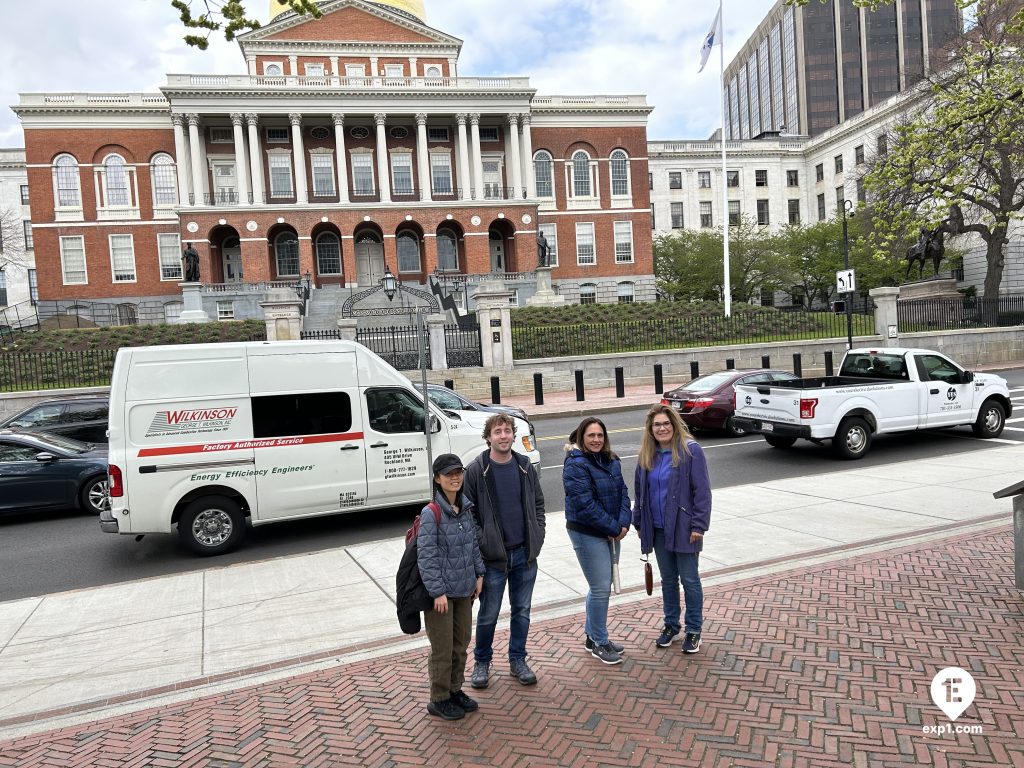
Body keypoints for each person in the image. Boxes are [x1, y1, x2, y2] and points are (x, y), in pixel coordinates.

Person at [463, 413, 546, 689]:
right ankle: (481, 662)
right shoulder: (477, 470)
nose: (503, 436)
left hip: (524, 554)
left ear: (513, 435)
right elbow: (468, 514)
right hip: (493, 559)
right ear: (488, 437)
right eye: (497, 431)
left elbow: (538, 504)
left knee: (522, 611)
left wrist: (538, 534)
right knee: (489, 613)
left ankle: (517, 660)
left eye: (507, 431)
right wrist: (483, 541)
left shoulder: (524, 466)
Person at [632, 404, 712, 654]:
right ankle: (671, 625)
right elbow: (639, 492)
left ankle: (694, 629)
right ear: (650, 429)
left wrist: (699, 524)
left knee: (689, 579)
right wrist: (638, 521)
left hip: (685, 528)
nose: (662, 428)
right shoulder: (647, 455)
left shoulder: (690, 451)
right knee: (668, 580)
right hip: (657, 529)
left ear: (674, 424)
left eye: (666, 423)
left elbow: (702, 492)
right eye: (657, 424)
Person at [417, 453, 485, 720]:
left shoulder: (465, 508)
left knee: (460, 645)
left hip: (465, 590)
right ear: (437, 479)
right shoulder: (431, 512)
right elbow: (427, 556)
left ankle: (455, 690)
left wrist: (479, 574)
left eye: (458, 472)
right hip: (442, 597)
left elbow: (473, 545)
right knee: (443, 649)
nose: (455, 477)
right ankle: (439, 698)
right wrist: (437, 592)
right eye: (448, 474)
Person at [562, 416, 632, 665]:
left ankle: (593, 636)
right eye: (591, 435)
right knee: (602, 588)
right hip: (587, 532)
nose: (596, 440)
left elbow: (623, 491)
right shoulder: (575, 464)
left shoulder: (611, 460)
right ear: (582, 437)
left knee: (599, 588)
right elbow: (585, 504)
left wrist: (624, 522)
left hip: (612, 531)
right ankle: (600, 642)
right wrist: (614, 527)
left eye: (600, 435)